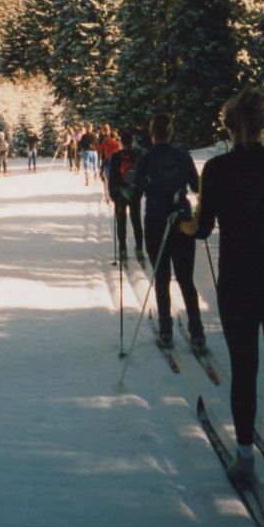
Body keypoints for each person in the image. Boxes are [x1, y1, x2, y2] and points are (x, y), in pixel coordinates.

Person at [179, 88, 264, 496]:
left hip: (237, 279)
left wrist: (182, 222)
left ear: (228, 127)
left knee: (244, 369)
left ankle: (244, 461)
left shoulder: (217, 170)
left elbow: (201, 230)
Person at [132, 113, 204, 351]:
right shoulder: (182, 156)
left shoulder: (146, 159)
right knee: (186, 279)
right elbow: (197, 187)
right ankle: (197, 332)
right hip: (182, 222)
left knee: (161, 278)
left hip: (155, 222)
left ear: (152, 134)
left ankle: (165, 331)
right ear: (170, 133)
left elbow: (135, 192)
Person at [108, 129, 143, 263]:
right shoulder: (137, 155)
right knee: (136, 221)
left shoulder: (116, 156)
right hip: (134, 193)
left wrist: (113, 193)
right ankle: (139, 247)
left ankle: (122, 248)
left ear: (121, 142)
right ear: (132, 142)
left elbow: (112, 176)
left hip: (120, 193)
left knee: (121, 221)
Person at [79, 122, 99, 186]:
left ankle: (89, 181)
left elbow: (81, 145)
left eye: (89, 127)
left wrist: (82, 149)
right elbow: (97, 144)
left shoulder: (85, 136)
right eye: (88, 127)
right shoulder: (94, 135)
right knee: (92, 166)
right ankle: (92, 181)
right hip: (92, 151)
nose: (89, 129)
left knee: (88, 166)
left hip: (89, 151)